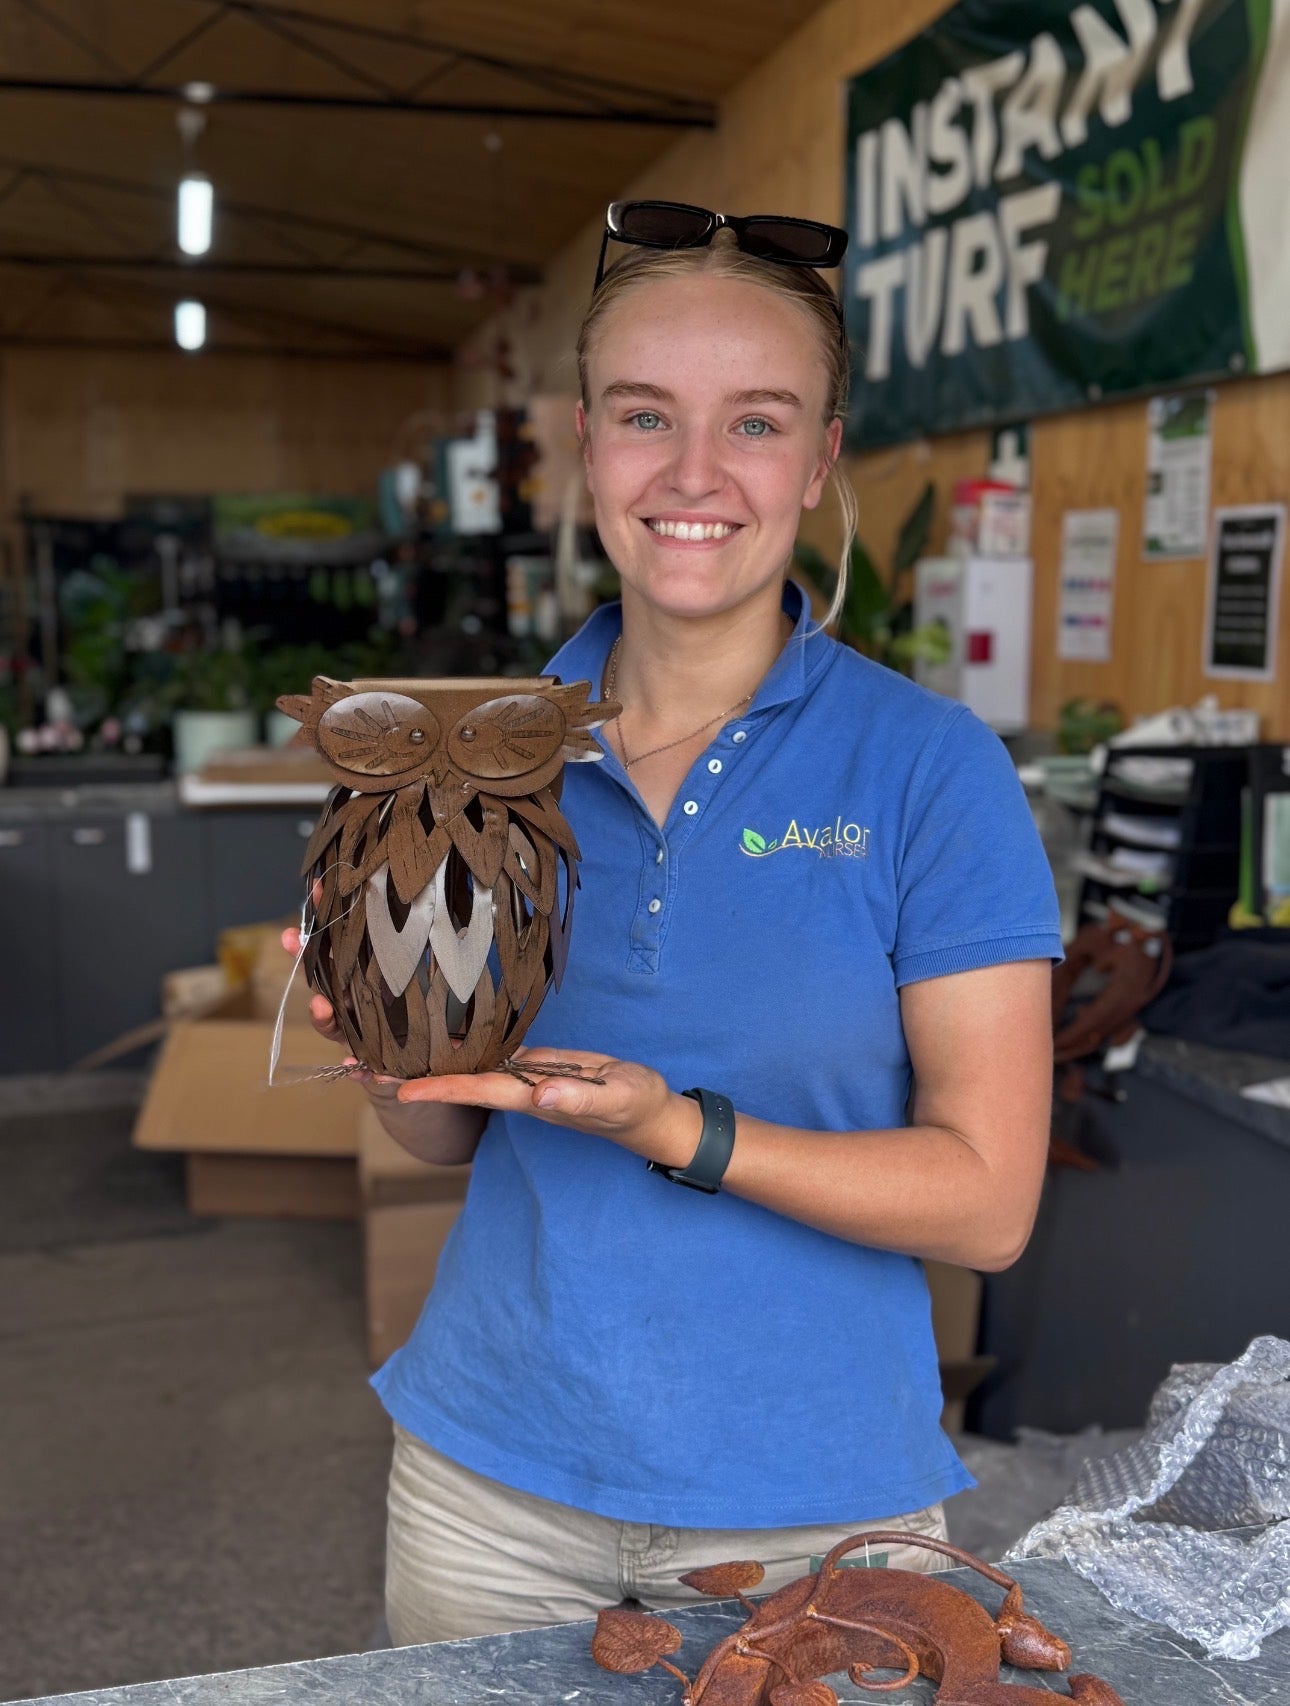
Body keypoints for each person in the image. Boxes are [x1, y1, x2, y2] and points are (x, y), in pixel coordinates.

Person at [288, 199, 1061, 1646]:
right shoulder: (482, 755)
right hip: (489, 1482)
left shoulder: (929, 768)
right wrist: (393, 1053)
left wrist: (677, 1129)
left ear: (819, 459)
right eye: (646, 415)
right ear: (588, 441)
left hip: (815, 1506)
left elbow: (987, 1202)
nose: (694, 473)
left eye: (756, 423)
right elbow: (448, 1138)